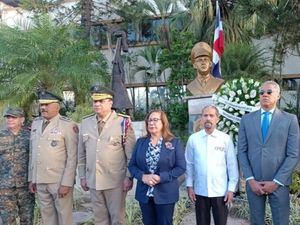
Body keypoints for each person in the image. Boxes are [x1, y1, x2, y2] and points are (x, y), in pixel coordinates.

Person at [238, 80, 300, 225]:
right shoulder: (246, 120)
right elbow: (241, 151)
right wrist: (250, 179)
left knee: (281, 222)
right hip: (254, 183)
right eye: (262, 92)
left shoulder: (290, 120)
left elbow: (293, 154)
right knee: (256, 222)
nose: (265, 95)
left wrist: (277, 181)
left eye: (269, 92)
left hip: (279, 183)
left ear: (278, 96)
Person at [78, 85, 136, 225]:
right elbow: (81, 154)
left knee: (117, 219)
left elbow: (131, 155)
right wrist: (82, 176)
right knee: (100, 220)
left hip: (115, 181)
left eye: (101, 101)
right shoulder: (86, 123)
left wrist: (129, 177)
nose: (97, 104)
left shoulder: (123, 122)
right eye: (95, 101)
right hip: (94, 180)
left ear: (111, 103)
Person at [28, 90, 78, 225]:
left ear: (58, 106)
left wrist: (67, 183)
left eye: (47, 104)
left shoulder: (68, 125)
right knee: (47, 219)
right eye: (41, 105)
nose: (43, 108)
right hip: (40, 180)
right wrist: (32, 178)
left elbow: (72, 157)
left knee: (64, 218)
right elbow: (33, 153)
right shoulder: (36, 124)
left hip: (59, 181)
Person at [128, 110, 186, 225]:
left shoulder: (174, 142)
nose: (151, 123)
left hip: (166, 194)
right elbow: (132, 165)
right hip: (144, 194)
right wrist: (142, 177)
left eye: (155, 120)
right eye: (149, 120)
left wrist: (161, 177)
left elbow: (181, 167)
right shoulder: (141, 142)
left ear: (163, 123)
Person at [185, 105, 239, 225]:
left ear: (217, 119)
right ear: (201, 118)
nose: (208, 118)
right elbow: (189, 164)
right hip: (200, 190)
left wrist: (231, 189)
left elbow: (232, 165)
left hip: (220, 191)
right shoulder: (193, 139)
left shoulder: (225, 139)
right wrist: (189, 186)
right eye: (205, 115)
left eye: (211, 115)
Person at [0, 107, 34, 225]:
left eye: (14, 117)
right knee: (7, 220)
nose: (10, 119)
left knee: (27, 219)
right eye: (8, 117)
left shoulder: (30, 136)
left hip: (26, 186)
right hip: (5, 187)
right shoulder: (1, 136)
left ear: (22, 119)